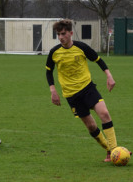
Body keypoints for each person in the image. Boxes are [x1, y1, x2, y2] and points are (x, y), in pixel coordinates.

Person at [45, 19, 118, 162]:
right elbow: (48, 71)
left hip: (88, 88)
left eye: (63, 34)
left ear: (71, 33)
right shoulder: (54, 52)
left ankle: (115, 150)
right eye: (58, 34)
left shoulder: (81, 47)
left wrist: (109, 76)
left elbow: (98, 60)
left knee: (104, 113)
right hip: (71, 95)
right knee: (91, 126)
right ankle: (108, 150)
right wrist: (53, 90)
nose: (61, 37)